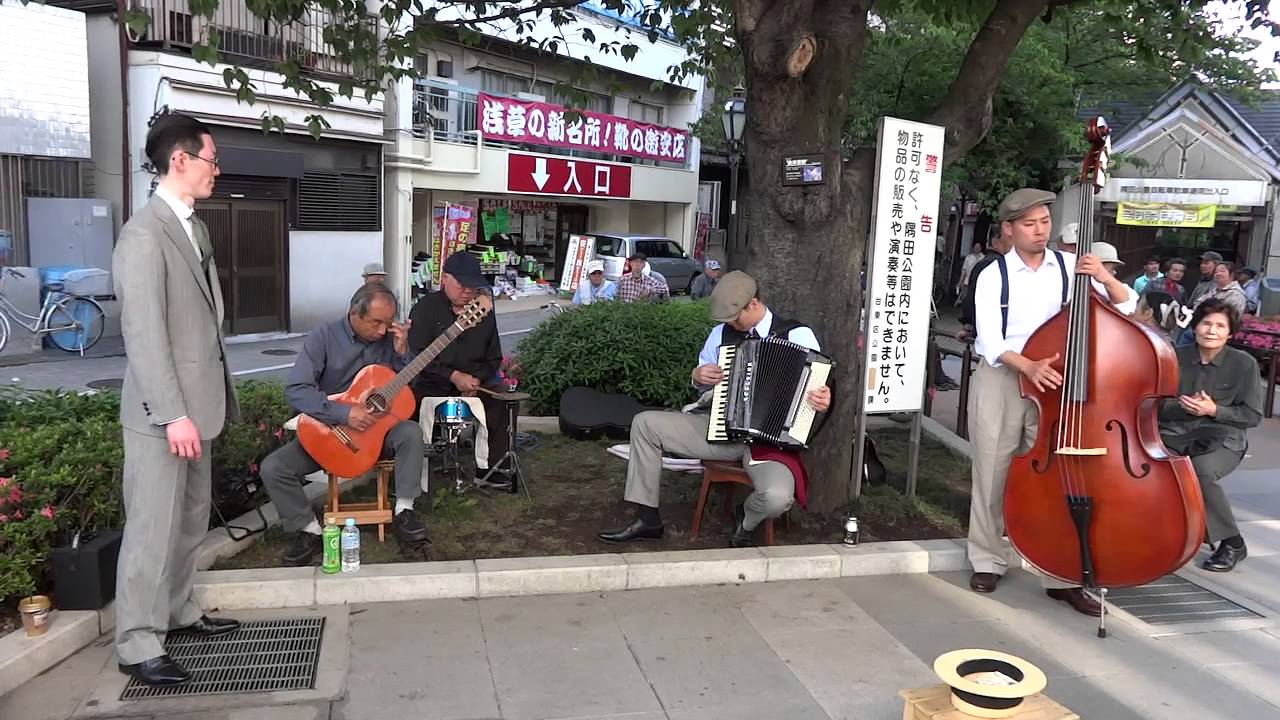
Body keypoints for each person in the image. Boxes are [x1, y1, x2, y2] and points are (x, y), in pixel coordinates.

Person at [112, 113, 241, 687]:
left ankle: (178, 611)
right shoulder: (143, 235)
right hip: (165, 418)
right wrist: (173, 414)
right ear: (180, 160)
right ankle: (137, 642)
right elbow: (144, 335)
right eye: (212, 159)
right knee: (151, 528)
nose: (218, 170)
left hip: (197, 410)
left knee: (188, 523)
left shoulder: (194, 228)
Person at [967, 188, 1138, 616]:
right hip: (1004, 378)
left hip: (1057, 382)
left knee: (1057, 478)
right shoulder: (993, 273)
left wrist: (1105, 276)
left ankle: (1061, 573)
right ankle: (987, 558)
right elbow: (990, 339)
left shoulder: (1069, 266)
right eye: (1030, 223)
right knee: (992, 470)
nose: (1040, 230)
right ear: (1009, 229)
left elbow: (1127, 306)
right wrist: (1027, 366)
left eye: (1045, 221)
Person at [597, 271, 831, 547]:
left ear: (754, 304)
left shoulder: (797, 335)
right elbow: (700, 381)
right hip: (720, 429)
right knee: (645, 424)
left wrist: (822, 400)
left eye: (735, 317)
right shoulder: (720, 334)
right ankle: (647, 519)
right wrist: (698, 375)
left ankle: (746, 518)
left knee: (777, 499)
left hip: (771, 444)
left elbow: (816, 389)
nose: (731, 324)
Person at [259, 283, 430, 566]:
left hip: (377, 435)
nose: (381, 331)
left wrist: (401, 354)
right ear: (354, 313)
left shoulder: (389, 340)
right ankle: (309, 530)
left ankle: (404, 511)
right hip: (329, 432)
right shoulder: (323, 337)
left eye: (387, 323)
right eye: (375, 322)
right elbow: (297, 389)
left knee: (410, 431)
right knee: (274, 468)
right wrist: (343, 413)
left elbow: (403, 391)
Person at [1159, 299, 1263, 572]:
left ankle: (1233, 543)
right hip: (1175, 432)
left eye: (1220, 326)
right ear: (1195, 327)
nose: (1212, 330)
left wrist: (1215, 409)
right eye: (1206, 323)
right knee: (1143, 463)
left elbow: (1252, 415)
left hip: (1223, 436)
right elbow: (1153, 404)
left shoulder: (1244, 364)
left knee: (1199, 471)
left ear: (1230, 333)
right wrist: (1181, 406)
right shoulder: (1173, 356)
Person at [408, 252, 514, 490]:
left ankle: (491, 469)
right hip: (433, 382)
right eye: (462, 285)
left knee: (502, 396)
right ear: (444, 278)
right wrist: (453, 376)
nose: (467, 291)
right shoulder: (426, 308)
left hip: (475, 382)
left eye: (473, 287)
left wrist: (477, 381)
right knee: (406, 402)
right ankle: (411, 472)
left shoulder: (482, 312)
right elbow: (417, 354)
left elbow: (494, 356)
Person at [958, 226, 1011, 338]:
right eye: (1009, 238)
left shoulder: (990, 261)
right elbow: (974, 295)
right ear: (995, 240)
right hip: (993, 331)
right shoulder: (993, 264)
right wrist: (970, 323)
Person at [956, 240, 987, 305]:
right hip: (967, 281)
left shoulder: (983, 258)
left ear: (981, 248)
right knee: (964, 297)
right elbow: (964, 270)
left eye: (978, 247)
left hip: (978, 282)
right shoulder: (968, 257)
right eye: (975, 247)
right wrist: (960, 281)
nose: (976, 248)